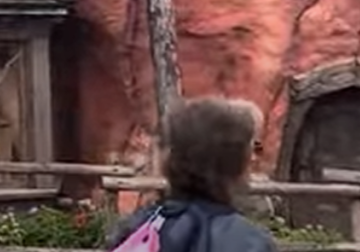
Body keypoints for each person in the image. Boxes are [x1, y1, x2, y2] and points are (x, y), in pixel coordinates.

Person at [105, 96, 278, 252]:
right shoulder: (249, 242)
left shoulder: (137, 230)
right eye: (252, 149)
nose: (254, 158)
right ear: (235, 163)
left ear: (170, 158)